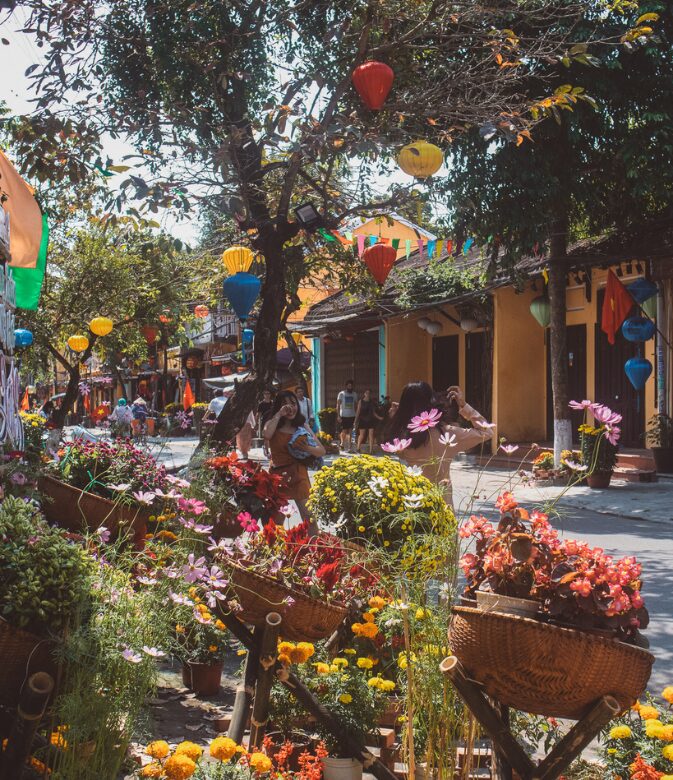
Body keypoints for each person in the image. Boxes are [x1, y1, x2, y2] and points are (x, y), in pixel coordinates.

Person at [386, 382, 494, 507]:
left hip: (411, 504)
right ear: (432, 402)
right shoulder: (447, 434)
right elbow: (487, 432)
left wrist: (399, 415)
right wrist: (463, 405)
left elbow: (401, 454)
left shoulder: (402, 435)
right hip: (442, 507)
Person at [263, 390, 326, 531]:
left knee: (309, 517)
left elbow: (321, 451)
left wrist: (307, 448)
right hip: (279, 476)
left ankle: (315, 550)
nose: (290, 407)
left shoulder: (302, 426)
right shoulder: (272, 423)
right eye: (285, 404)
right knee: (277, 521)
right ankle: (274, 550)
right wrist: (279, 414)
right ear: (279, 406)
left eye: (293, 403)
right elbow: (266, 434)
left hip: (298, 474)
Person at [355, 388, 383, 454]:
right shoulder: (361, 401)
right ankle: (358, 448)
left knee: (371, 435)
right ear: (364, 394)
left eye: (369, 393)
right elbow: (358, 411)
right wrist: (355, 421)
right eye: (366, 393)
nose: (368, 394)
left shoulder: (371, 402)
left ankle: (371, 450)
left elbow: (373, 412)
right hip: (362, 419)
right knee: (362, 435)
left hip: (370, 420)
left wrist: (379, 418)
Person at [336, 379, 358, 452]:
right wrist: (338, 416)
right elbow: (338, 405)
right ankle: (342, 443)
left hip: (352, 415)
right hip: (344, 415)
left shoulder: (354, 394)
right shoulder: (341, 394)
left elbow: (356, 405)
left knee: (351, 431)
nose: (350, 387)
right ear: (346, 386)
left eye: (351, 386)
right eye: (348, 386)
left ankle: (350, 447)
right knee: (344, 431)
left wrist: (356, 416)